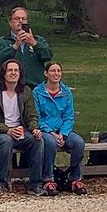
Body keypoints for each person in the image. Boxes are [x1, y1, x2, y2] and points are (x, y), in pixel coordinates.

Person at [33, 62, 87, 196]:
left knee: (79, 143)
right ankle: (48, 179)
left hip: (63, 130)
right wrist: (52, 133)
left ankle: (74, 178)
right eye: (53, 71)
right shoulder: (37, 92)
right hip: (46, 130)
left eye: (58, 71)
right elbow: (37, 117)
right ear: (46, 73)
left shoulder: (66, 92)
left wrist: (63, 134)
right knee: (50, 143)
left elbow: (69, 116)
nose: (56, 73)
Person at [0, 60, 44, 197]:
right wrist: (7, 130)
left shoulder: (26, 92)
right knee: (5, 141)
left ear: (20, 74)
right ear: (3, 73)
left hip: (21, 131)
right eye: (10, 70)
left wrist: (34, 129)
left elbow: (32, 116)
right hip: (0, 132)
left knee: (37, 140)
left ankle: (35, 185)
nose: (13, 73)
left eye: (16, 70)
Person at [0, 6, 53, 88]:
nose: (20, 21)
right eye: (17, 19)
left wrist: (34, 44)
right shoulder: (1, 42)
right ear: (10, 22)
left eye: (23, 19)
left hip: (35, 87)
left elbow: (48, 56)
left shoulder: (38, 40)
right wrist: (15, 46)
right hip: (10, 88)